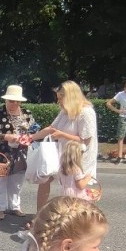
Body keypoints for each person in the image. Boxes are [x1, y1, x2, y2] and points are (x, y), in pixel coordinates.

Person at [30, 81, 99, 212]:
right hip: (63, 155)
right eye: (58, 97)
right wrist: (30, 138)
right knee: (44, 180)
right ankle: (40, 216)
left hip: (78, 158)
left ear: (71, 97)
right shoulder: (64, 111)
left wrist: (62, 134)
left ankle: (76, 219)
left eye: (61, 98)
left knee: (76, 191)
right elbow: (51, 128)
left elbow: (85, 140)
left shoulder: (86, 112)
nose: (58, 101)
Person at [0, 85, 31, 219]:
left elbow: (34, 131)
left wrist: (26, 138)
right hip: (2, 151)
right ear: (6, 100)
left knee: (17, 181)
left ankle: (15, 206)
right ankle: (0, 207)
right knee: (0, 180)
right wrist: (4, 137)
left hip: (20, 152)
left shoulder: (27, 114)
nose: (14, 104)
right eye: (11, 101)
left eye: (17, 101)